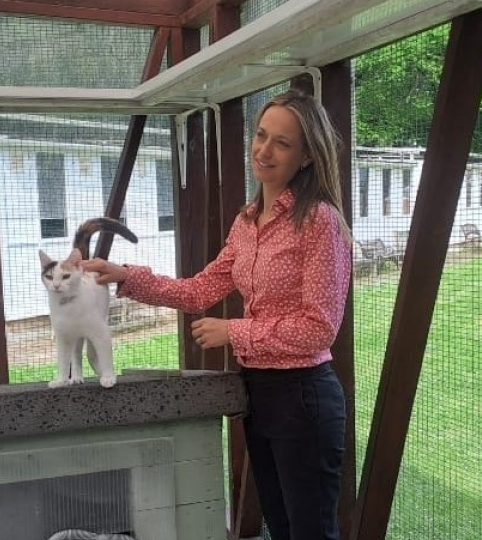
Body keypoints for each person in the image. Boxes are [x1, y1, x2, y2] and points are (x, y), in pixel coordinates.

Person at [81, 89, 351, 540]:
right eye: (261, 136)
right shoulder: (247, 222)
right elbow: (198, 290)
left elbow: (318, 329)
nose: (264, 150)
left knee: (312, 532)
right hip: (258, 393)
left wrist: (235, 330)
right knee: (281, 527)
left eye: (282, 143)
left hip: (304, 396)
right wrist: (125, 274)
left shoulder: (319, 221)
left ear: (306, 157)